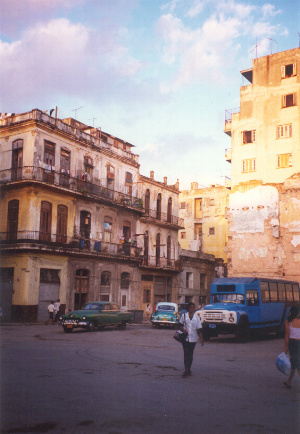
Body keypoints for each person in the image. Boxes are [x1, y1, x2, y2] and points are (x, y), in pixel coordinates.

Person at [178, 302, 204, 378]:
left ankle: (189, 369)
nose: (192, 309)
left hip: (193, 338)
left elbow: (199, 329)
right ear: (188, 309)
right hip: (185, 338)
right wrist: (183, 330)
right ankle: (186, 370)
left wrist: (201, 338)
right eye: (190, 308)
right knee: (186, 354)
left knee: (190, 354)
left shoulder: (197, 317)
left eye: (193, 308)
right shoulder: (184, 316)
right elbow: (180, 325)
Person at [283, 305, 300, 388]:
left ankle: (289, 381)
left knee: (295, 363)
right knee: (295, 364)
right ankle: (289, 381)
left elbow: (287, 336)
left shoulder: (288, 321)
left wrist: (285, 348)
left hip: (292, 343)